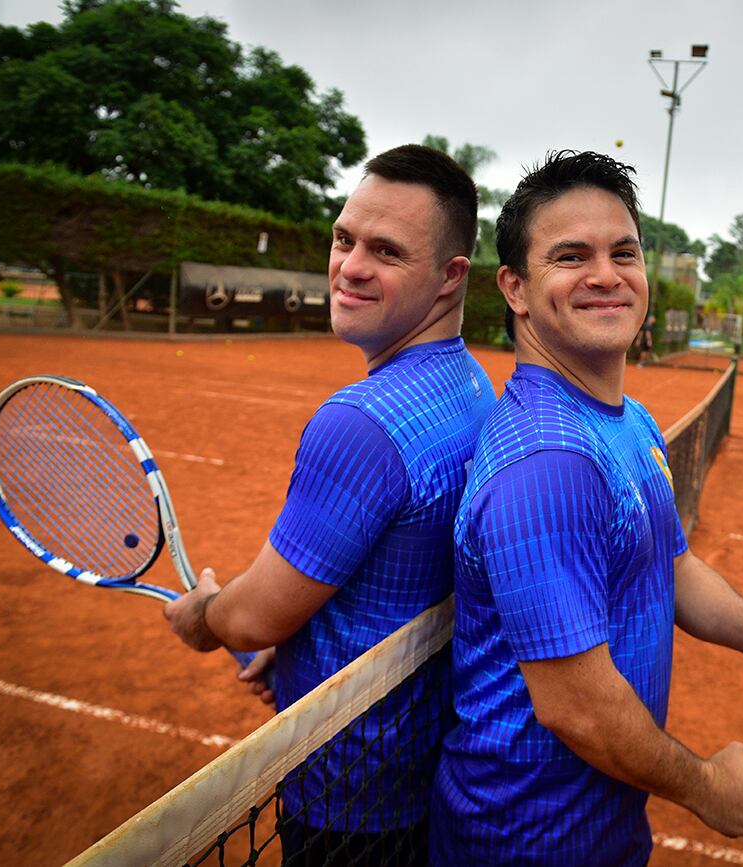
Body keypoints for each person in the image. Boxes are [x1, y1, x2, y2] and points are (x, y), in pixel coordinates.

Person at [431, 150, 743, 865]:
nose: (606, 274)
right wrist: (704, 783)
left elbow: (670, 563)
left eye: (624, 251)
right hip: (524, 842)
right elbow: (576, 706)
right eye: (570, 256)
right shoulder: (547, 465)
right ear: (516, 288)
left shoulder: (626, 418)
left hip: (600, 828)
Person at [164, 144, 497, 865]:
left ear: (450, 277)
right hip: (417, 765)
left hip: (349, 789)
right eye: (344, 239)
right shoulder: (474, 387)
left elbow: (254, 614)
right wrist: (292, 649)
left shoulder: (361, 421)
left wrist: (203, 614)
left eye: (385, 250)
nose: (349, 265)